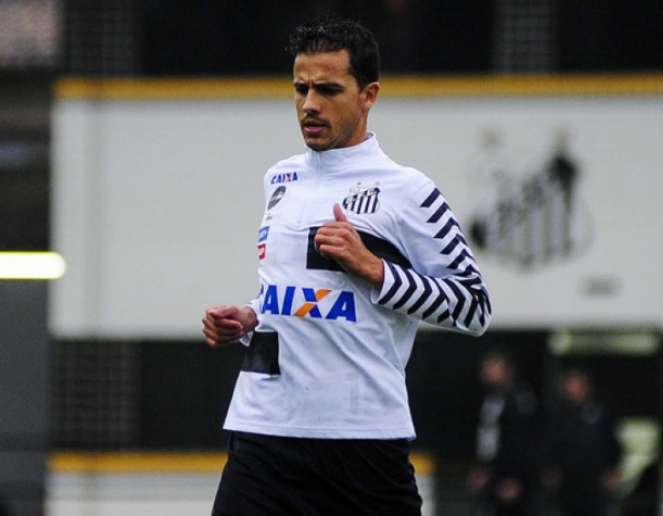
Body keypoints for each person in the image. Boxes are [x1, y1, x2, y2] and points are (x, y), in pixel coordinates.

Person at [201, 19, 492, 516]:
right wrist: (250, 317)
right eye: (301, 88)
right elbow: (295, 290)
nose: (309, 104)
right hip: (262, 432)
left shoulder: (409, 191)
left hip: (360, 442)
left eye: (328, 89)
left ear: (368, 94)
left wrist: (376, 270)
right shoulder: (280, 178)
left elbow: (473, 307)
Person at [468, 352, 541, 516]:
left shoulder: (520, 398)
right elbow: (486, 438)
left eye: (492, 367)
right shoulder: (488, 398)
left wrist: (514, 477)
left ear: (507, 370)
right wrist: (483, 467)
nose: (486, 372)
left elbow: (523, 440)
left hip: (513, 476)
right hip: (493, 472)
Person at [544, 370, 621, 516]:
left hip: (594, 481)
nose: (572, 390)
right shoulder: (558, 415)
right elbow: (551, 444)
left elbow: (612, 444)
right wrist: (550, 468)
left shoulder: (599, 413)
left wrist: (612, 469)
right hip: (567, 481)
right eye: (569, 386)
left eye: (576, 385)